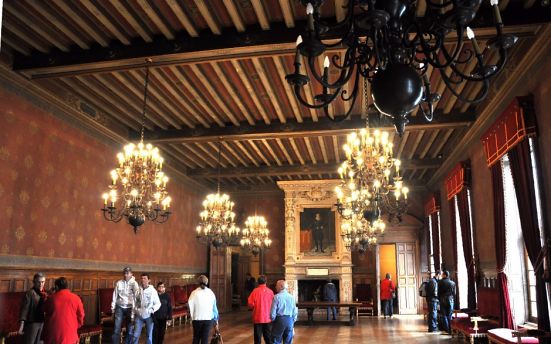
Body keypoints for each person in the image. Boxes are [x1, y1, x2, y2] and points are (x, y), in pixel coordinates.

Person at [43, 277, 84, 344]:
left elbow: (44, 309)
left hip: (54, 336)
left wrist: (48, 295)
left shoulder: (51, 298)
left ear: (56, 287)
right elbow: (81, 315)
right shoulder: (76, 298)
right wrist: (75, 325)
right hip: (71, 335)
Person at [188, 275, 219, 344]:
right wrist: (216, 320)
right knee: (205, 339)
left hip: (197, 319)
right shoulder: (211, 293)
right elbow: (214, 309)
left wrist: (192, 316)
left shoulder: (194, 293)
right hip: (208, 319)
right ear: (207, 282)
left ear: (198, 283)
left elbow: (190, 306)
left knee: (196, 338)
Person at [111, 267, 139, 344]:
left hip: (130, 308)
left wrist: (135, 311)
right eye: (125, 273)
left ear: (131, 274)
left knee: (129, 329)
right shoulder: (119, 283)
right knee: (116, 329)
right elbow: (115, 296)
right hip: (119, 307)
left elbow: (137, 297)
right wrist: (113, 309)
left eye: (128, 273)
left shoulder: (134, 284)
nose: (126, 275)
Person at [132, 273, 161, 344]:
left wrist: (152, 310)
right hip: (139, 315)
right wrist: (133, 314)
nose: (143, 280)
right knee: (135, 335)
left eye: (145, 278)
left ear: (149, 280)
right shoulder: (138, 290)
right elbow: (134, 302)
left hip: (149, 316)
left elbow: (158, 303)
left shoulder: (153, 291)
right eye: (141, 278)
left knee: (149, 336)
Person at [18, 272, 47, 344]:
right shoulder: (30, 293)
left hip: (42, 322)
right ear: (34, 282)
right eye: (38, 282)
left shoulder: (45, 293)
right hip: (32, 323)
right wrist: (21, 326)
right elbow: (24, 310)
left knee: (40, 342)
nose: (41, 284)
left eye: (43, 282)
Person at [248, 275, 275, 344]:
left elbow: (250, 304)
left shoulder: (255, 291)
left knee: (257, 338)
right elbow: (274, 304)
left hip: (257, 317)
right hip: (268, 318)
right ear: (266, 282)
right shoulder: (270, 292)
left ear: (258, 282)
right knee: (268, 337)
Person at [438, 270, 456, 335]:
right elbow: (454, 293)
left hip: (443, 300)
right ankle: (451, 329)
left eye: (442, 274)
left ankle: (447, 330)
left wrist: (438, 300)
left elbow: (438, 292)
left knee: (444, 315)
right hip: (451, 300)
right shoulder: (453, 283)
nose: (442, 275)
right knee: (450, 315)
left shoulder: (440, 282)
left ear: (445, 275)